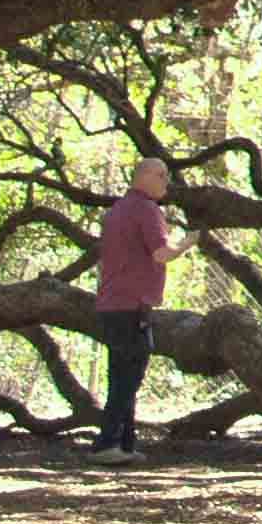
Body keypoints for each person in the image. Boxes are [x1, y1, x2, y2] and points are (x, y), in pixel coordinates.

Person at [84, 162, 170, 454]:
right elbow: (161, 253)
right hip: (132, 304)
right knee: (129, 377)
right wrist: (188, 242)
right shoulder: (147, 209)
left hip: (112, 303)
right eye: (161, 176)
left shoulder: (118, 209)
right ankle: (106, 442)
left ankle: (124, 444)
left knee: (122, 374)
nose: (165, 182)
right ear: (143, 177)